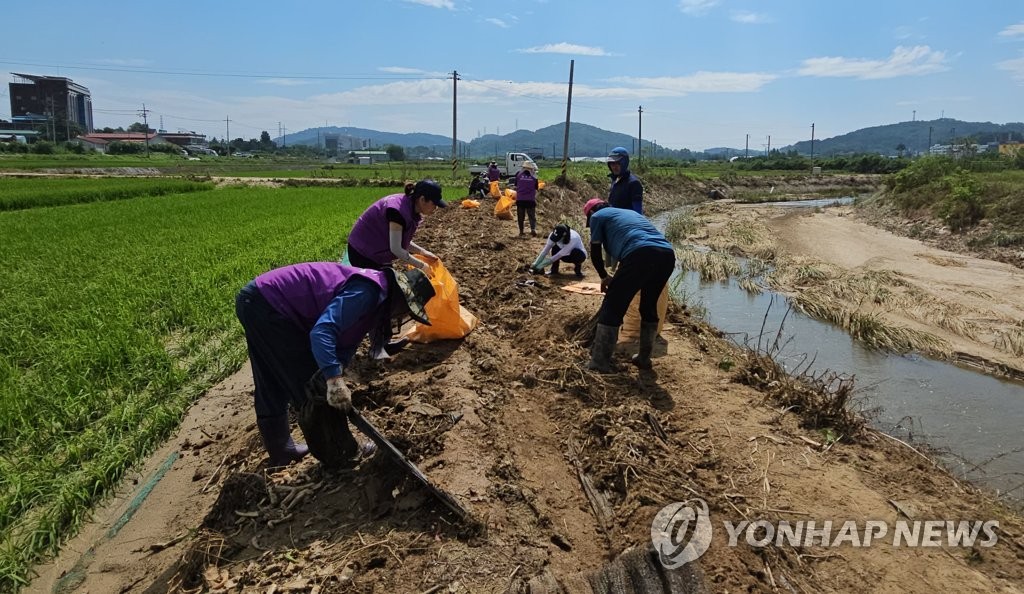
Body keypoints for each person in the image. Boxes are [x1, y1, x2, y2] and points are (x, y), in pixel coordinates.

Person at [236, 262, 436, 467]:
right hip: (269, 305)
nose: (401, 317)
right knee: (311, 385)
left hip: (258, 300)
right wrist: (333, 379)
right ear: (400, 298)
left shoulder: (376, 295)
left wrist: (336, 369)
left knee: (272, 377)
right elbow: (322, 332)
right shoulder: (366, 292)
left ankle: (281, 450)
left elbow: (344, 341)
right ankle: (342, 455)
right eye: (406, 311)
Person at [583, 198, 675, 372]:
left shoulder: (597, 216)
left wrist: (604, 277)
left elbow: (595, 252)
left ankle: (599, 363)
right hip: (666, 255)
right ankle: (644, 359)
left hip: (640, 254)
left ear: (591, 213)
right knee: (648, 305)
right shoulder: (629, 213)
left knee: (613, 305)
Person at [345, 179, 447, 276]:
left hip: (376, 249)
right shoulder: (397, 211)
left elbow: (400, 240)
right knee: (380, 287)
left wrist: (423, 252)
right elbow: (396, 249)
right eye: (434, 204)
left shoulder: (410, 208)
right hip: (362, 252)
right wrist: (422, 266)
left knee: (390, 281)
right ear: (422, 199)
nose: (435, 208)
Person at [605, 147, 644, 214]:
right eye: (612, 164)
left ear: (624, 163)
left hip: (628, 222)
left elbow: (638, 212)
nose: (614, 167)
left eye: (617, 163)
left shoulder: (633, 183)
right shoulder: (615, 180)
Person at [514, 160, 540, 236]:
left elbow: (516, 185)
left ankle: (521, 231)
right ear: (531, 169)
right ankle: (533, 229)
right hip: (530, 199)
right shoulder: (534, 177)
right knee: (532, 216)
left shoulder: (518, 175)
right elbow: (536, 188)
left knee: (520, 216)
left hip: (520, 199)